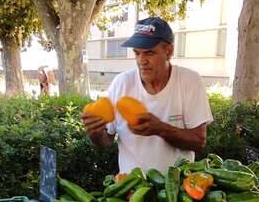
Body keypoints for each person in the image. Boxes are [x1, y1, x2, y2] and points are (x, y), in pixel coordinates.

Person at [81, 17, 213, 173]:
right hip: (130, 188)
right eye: (137, 53)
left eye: (149, 53)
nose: (141, 61)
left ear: (168, 51)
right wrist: (95, 133)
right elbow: (106, 141)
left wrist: (160, 129)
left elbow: (198, 141)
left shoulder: (189, 81)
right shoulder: (122, 83)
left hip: (176, 189)